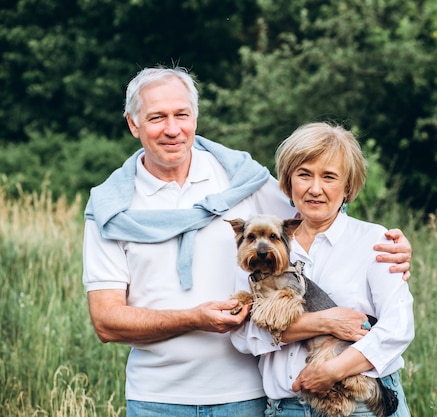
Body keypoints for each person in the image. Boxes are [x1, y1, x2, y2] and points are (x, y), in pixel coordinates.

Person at [82, 66, 413, 417]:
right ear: (133, 124)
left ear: (195, 116)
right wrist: (194, 318)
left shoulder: (242, 181)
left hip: (246, 396)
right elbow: (106, 321)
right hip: (156, 395)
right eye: (156, 117)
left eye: (182, 114)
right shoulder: (111, 209)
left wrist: (390, 245)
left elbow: (314, 206)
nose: (172, 128)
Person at [231, 122, 414, 417]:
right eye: (304, 175)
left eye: (329, 177)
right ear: (288, 182)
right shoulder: (261, 247)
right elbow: (242, 336)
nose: (315, 189)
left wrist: (331, 371)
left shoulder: (374, 241)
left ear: (348, 187)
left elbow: (399, 326)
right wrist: (326, 322)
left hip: (360, 407)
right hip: (286, 408)